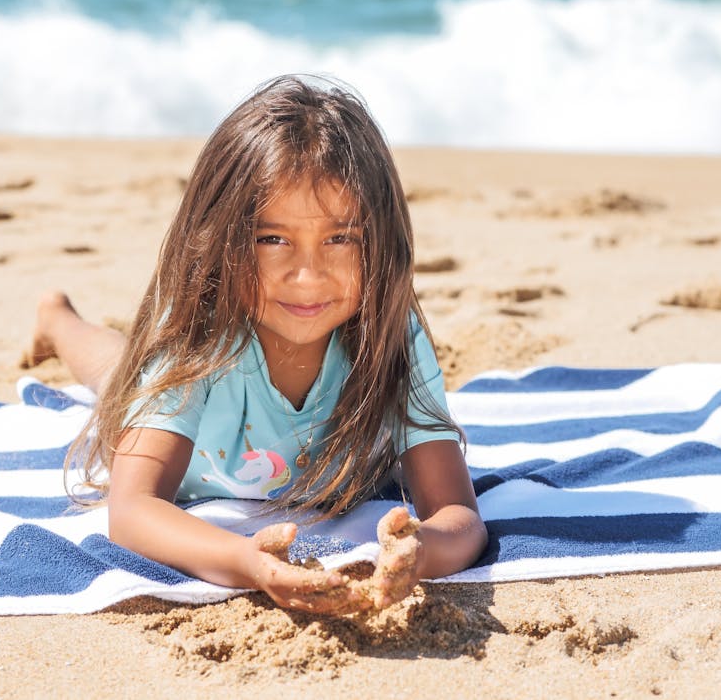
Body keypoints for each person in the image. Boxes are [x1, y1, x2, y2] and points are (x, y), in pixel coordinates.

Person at [24, 75, 487, 614]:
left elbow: (458, 513)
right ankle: (56, 319)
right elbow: (132, 511)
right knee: (114, 377)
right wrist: (248, 561)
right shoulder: (198, 333)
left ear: (381, 241)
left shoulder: (392, 332)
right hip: (188, 418)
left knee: (121, 365)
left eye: (340, 238)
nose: (308, 275)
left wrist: (422, 550)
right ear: (222, 239)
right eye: (272, 239)